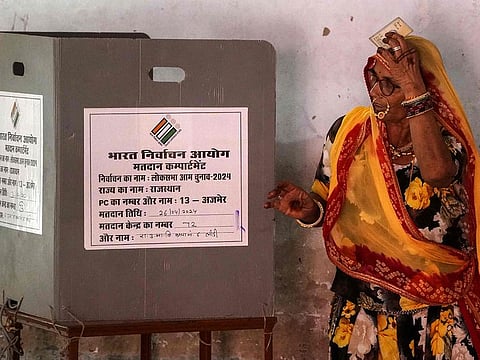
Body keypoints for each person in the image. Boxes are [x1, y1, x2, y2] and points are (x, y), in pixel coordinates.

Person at [265, 32, 480, 359]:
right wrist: (310, 211)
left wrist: (413, 90)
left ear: (422, 88)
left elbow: (437, 174)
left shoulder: (448, 142)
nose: (376, 92)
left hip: (436, 315)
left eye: (391, 85)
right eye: (374, 79)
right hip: (364, 311)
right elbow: (329, 207)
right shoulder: (348, 132)